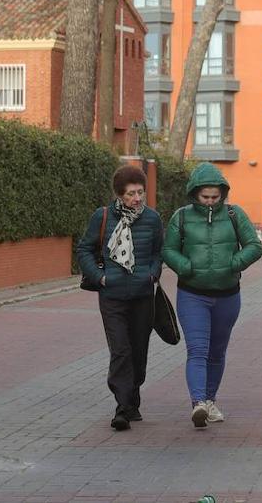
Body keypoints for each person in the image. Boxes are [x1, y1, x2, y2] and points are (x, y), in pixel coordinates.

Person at [161, 162, 262, 428]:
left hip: (228, 295)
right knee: (197, 349)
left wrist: (234, 263)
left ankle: (210, 399)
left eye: (215, 197)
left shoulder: (234, 215)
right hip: (192, 294)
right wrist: (185, 266)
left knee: (217, 352)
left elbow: (254, 245)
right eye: (204, 197)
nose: (209, 202)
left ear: (222, 194)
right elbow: (168, 250)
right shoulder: (181, 217)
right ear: (194, 193)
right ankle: (198, 404)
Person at [75, 164, 165, 431]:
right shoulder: (102, 217)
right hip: (112, 296)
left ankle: (132, 397)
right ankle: (123, 407)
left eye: (140, 192)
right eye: (130, 194)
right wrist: (100, 277)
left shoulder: (152, 218)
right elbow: (84, 250)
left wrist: (152, 273)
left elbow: (160, 252)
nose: (137, 199)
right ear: (118, 195)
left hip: (142, 296)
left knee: (138, 351)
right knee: (121, 350)